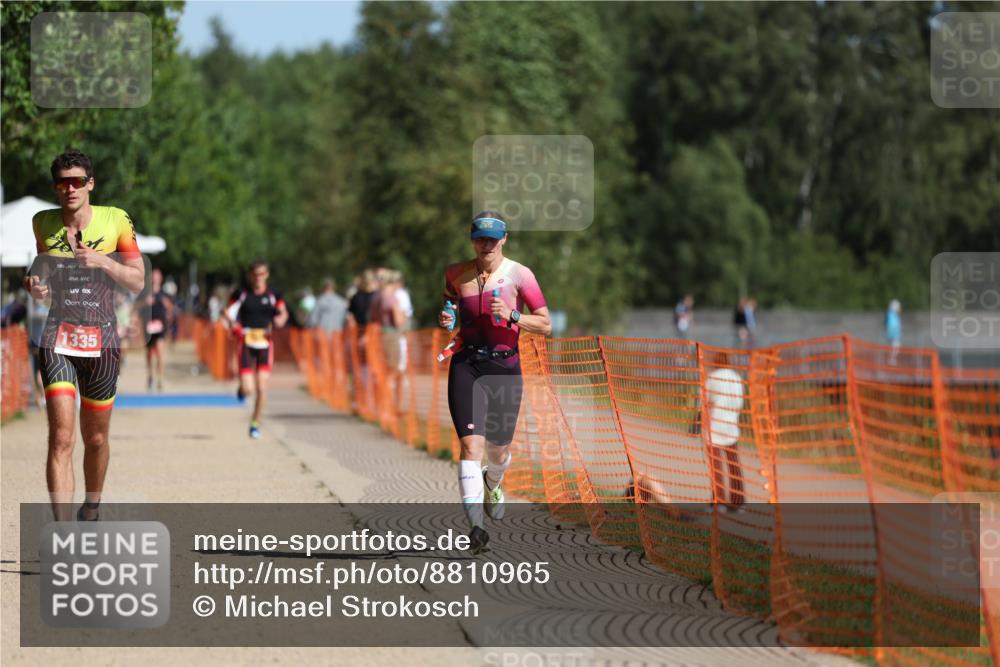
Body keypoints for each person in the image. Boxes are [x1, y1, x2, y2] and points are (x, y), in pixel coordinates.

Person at [23, 149, 145, 521]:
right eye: (63, 182)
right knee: (62, 438)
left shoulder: (115, 220)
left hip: (103, 338)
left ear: (90, 184)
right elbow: (40, 268)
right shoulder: (42, 223)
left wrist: (104, 261)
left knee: (95, 439)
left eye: (77, 181)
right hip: (59, 335)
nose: (70, 188)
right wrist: (35, 285)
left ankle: (91, 506)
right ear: (56, 187)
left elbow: (138, 280)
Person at [439, 211, 552, 553]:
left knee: (498, 451)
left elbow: (545, 324)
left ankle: (494, 480)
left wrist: (515, 316)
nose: (485, 245)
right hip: (467, 365)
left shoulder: (520, 275)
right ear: (472, 239)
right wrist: (449, 316)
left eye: (492, 238)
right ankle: (476, 529)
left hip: (504, 367)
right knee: (470, 447)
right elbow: (450, 300)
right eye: (479, 238)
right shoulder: (456, 273)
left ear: (504, 239)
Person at [223, 259, 289, 439]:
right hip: (245, 342)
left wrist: (280, 320)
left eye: (262, 274)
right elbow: (227, 312)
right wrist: (233, 325)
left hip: (265, 344)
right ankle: (241, 390)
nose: (258, 278)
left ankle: (255, 423)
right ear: (251, 276)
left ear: (267, 275)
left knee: (262, 387)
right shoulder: (242, 293)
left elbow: (283, 312)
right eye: (255, 274)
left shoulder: (274, 294)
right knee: (248, 389)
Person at [704, 351, 745, 512]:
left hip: (714, 426)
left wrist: (696, 422)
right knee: (734, 465)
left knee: (716, 467)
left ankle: (718, 501)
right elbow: (740, 402)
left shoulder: (712, 378)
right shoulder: (737, 378)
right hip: (731, 425)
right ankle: (738, 502)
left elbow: (703, 402)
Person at [141, 268, 174, 391]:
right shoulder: (145, 292)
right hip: (148, 326)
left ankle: (160, 378)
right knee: (149, 354)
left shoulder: (164, 294)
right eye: (153, 276)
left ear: (160, 279)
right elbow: (137, 306)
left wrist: (168, 308)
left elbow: (171, 309)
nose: (155, 278)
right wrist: (145, 303)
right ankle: (150, 376)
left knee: (160, 353)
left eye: (157, 276)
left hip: (160, 327)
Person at [885, 299, 902, 365]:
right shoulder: (891, 315)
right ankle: (891, 361)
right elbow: (891, 326)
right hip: (893, 336)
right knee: (894, 348)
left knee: (895, 348)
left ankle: (891, 360)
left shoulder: (891, 314)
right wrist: (893, 335)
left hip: (894, 335)